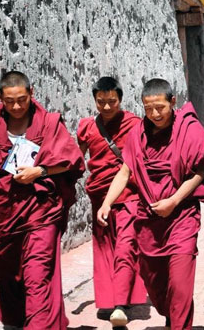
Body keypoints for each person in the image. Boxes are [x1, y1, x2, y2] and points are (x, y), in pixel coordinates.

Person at [98, 78, 204, 330]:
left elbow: (199, 172)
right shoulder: (138, 134)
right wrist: (107, 202)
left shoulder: (188, 129)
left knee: (181, 284)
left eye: (160, 108)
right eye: (148, 108)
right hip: (149, 219)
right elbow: (125, 171)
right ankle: (170, 314)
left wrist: (173, 201)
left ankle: (179, 322)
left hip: (181, 216)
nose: (154, 114)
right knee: (155, 282)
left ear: (172, 102)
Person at [0, 71, 85, 329]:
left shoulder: (48, 123)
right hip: (6, 211)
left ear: (31, 93)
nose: (16, 106)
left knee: (37, 276)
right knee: (9, 274)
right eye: (10, 101)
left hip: (42, 210)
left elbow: (71, 161)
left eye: (22, 100)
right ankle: (14, 321)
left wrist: (40, 171)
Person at [76, 77, 147, 327]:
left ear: (121, 99)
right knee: (105, 248)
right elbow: (77, 158)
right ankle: (109, 300)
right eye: (101, 102)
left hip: (129, 194)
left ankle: (120, 302)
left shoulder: (135, 124)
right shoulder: (87, 127)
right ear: (95, 100)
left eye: (112, 102)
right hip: (99, 194)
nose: (106, 107)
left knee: (126, 246)